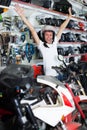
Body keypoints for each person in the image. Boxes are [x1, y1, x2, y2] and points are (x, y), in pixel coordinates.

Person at [14, 4, 72, 79]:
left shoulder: (55, 42)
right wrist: (22, 16)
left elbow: (61, 28)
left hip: (60, 73)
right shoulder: (41, 45)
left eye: (50, 35)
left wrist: (69, 17)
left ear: (53, 36)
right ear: (43, 36)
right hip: (49, 75)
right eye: (46, 35)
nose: (49, 37)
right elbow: (32, 30)